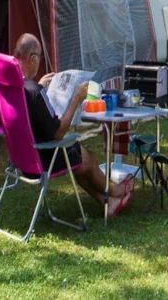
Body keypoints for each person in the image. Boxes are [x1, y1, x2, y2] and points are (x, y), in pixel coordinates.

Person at [13, 34, 133, 216]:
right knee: (86, 158)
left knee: (80, 160)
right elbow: (59, 133)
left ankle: (108, 203)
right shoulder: (35, 92)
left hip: (23, 158)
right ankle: (115, 191)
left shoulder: (13, 87)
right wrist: (76, 98)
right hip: (44, 158)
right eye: (39, 57)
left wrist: (39, 85)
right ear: (32, 58)